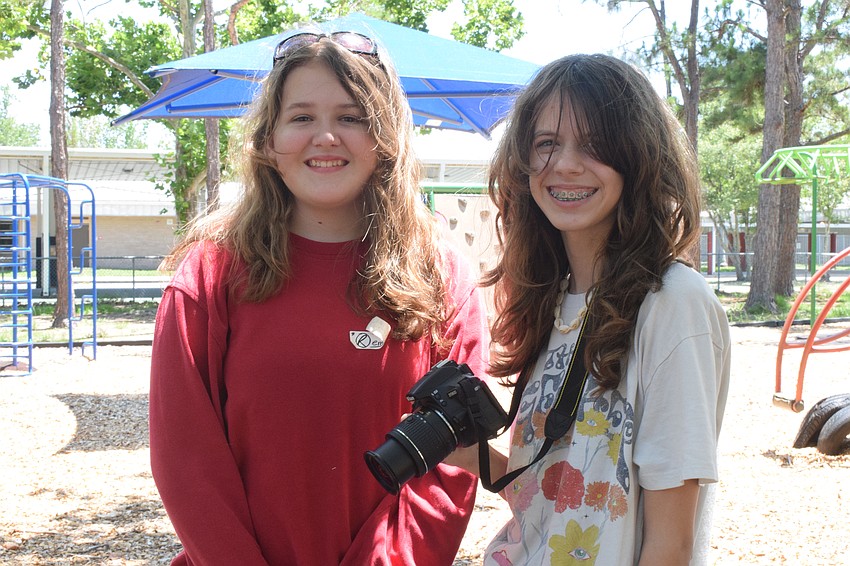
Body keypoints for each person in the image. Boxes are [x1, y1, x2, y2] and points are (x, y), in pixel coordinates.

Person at [148, 30, 491, 565]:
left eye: (351, 117)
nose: (326, 137)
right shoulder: (210, 275)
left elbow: (452, 463)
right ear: (269, 140)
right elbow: (186, 460)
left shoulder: (440, 276)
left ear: (386, 137)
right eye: (302, 117)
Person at [445, 54, 731, 565]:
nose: (566, 164)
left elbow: (671, 545)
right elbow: (558, 492)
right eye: (546, 143)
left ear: (638, 157)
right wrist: (466, 451)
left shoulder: (672, 302)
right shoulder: (555, 299)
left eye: (594, 143)